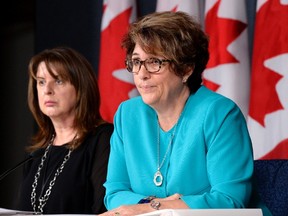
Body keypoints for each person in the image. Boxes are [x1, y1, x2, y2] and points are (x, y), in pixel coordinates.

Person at [99, 11, 270, 216]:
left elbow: (229, 200)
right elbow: (115, 192)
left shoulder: (220, 113)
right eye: (136, 62)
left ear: (186, 69)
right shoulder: (127, 114)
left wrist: (151, 207)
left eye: (155, 62)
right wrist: (158, 204)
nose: (142, 74)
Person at [16, 46, 113, 214]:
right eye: (41, 82)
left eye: (59, 81)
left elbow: (105, 210)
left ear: (81, 87)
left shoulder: (102, 139)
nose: (47, 90)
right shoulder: (36, 153)